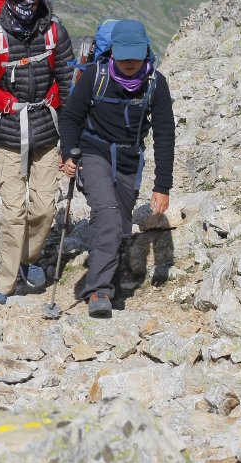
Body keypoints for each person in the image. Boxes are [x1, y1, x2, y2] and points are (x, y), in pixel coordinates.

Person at [0, 0, 76, 304]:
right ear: (9, 0)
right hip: (8, 135)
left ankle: (28, 258)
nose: (28, 2)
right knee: (13, 211)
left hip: (47, 131)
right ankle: (5, 283)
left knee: (44, 208)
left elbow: (69, 85)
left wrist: (72, 145)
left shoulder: (55, 32)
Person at [58, 19, 175, 318]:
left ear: (146, 51)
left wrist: (162, 186)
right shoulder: (95, 76)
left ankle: (112, 272)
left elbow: (164, 134)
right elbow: (71, 116)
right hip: (93, 151)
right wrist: (69, 151)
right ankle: (99, 290)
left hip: (128, 159)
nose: (130, 62)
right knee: (108, 213)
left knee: (121, 222)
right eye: (123, 56)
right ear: (113, 53)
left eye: (136, 55)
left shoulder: (155, 84)